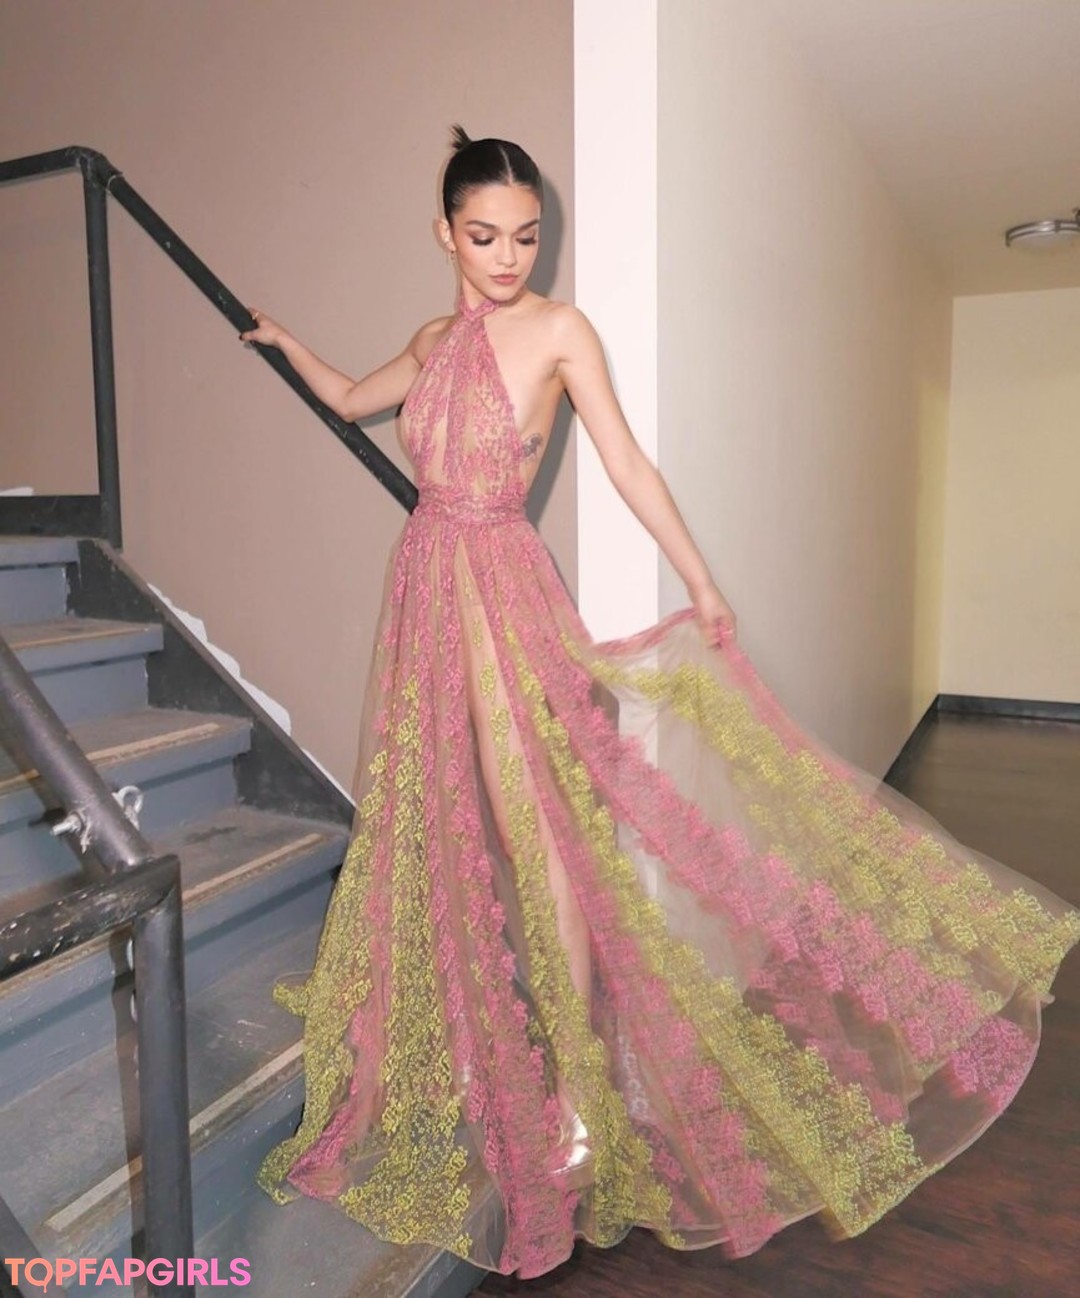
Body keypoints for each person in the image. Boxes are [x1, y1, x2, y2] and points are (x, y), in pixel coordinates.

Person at [243, 128, 1079, 1281]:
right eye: (484, 235)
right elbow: (348, 398)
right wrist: (285, 339)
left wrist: (700, 580)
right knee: (437, 825)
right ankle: (473, 1052)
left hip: (501, 592)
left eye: (526, 235)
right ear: (444, 233)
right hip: (426, 596)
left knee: (539, 832)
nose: (508, 256)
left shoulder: (559, 332)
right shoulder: (433, 342)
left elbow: (628, 463)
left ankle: (578, 1097)